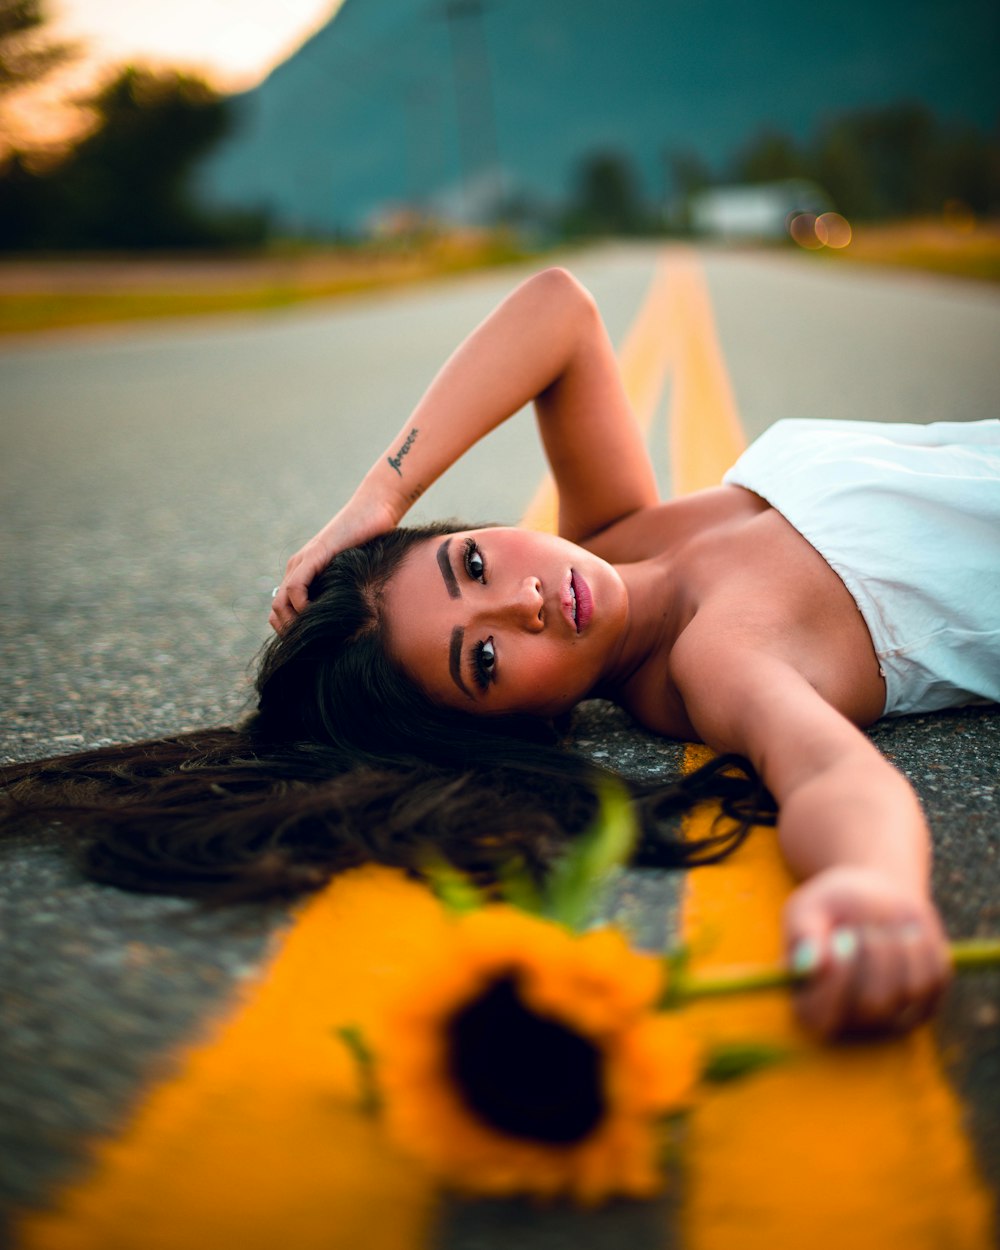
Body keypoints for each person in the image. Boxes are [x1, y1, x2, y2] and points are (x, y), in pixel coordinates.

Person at [5, 268, 997, 1039]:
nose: (521, 602)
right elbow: (830, 772)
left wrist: (377, 500)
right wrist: (866, 886)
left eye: (469, 561)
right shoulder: (713, 662)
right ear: (516, 722)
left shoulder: (615, 530)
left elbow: (556, 311)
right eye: (481, 661)